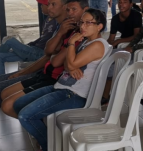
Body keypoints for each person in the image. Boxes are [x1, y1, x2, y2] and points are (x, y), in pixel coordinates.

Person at [13, 9, 110, 151]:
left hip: (74, 94)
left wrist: (71, 44)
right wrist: (71, 67)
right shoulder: (86, 42)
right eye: (81, 22)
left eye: (88, 23)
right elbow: (66, 64)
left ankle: (49, 146)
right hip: (62, 87)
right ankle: (49, 138)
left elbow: (70, 63)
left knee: (25, 116)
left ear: (99, 26)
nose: (82, 26)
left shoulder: (98, 44)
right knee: (18, 104)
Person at [1, 0, 88, 117]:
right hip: (45, 73)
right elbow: (49, 52)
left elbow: (55, 60)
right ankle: (35, 124)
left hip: (55, 79)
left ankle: (38, 126)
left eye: (74, 9)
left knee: (8, 103)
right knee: (5, 93)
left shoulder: (81, 36)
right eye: (68, 10)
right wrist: (59, 33)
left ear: (85, 10)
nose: (70, 13)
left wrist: (55, 54)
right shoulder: (68, 29)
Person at [0, 0, 64, 75]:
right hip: (34, 50)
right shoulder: (48, 20)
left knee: (10, 41)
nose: (42, 6)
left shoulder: (57, 21)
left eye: (43, 4)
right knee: (1, 56)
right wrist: (30, 45)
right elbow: (42, 38)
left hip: (39, 53)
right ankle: (2, 81)